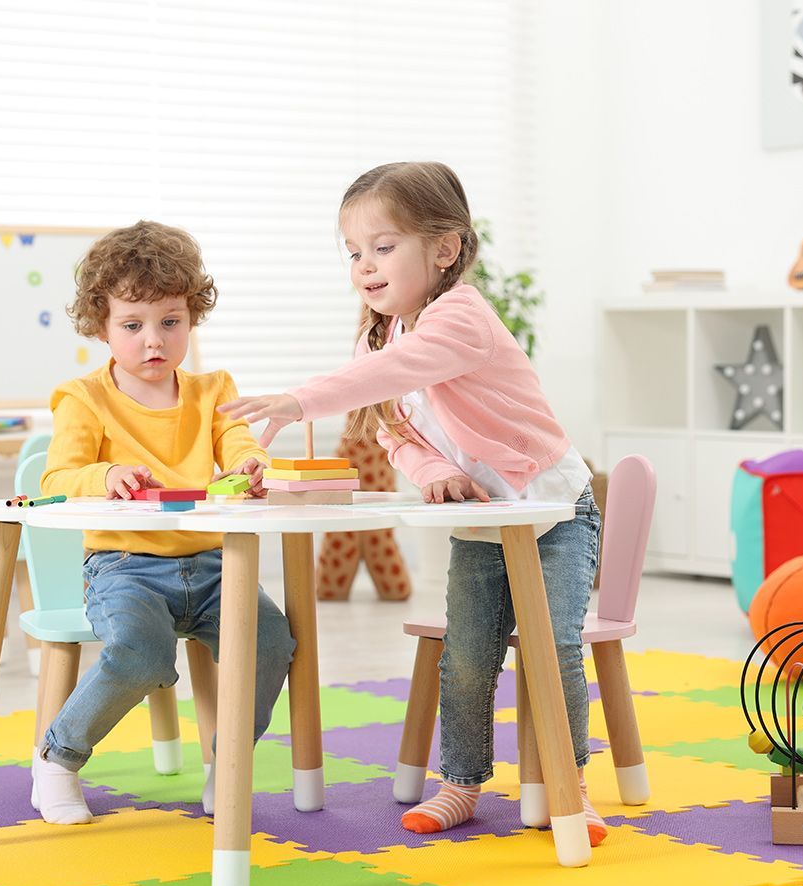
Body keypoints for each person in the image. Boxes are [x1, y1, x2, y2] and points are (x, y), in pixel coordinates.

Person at [219, 162, 606, 844]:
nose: (365, 266)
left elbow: (397, 373)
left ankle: (571, 787)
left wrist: (298, 398)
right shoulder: (382, 335)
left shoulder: (459, 316)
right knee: (466, 655)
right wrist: (431, 469)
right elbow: (392, 428)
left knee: (555, 649)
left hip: (553, 513)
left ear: (445, 249)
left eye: (383, 247)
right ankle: (460, 782)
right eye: (354, 252)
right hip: (484, 522)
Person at [34, 220, 295, 825]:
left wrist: (253, 465)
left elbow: (239, 442)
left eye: (170, 322)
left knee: (272, 640)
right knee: (139, 653)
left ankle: (226, 762)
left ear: (190, 319)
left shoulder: (212, 390)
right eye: (133, 325)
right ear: (101, 326)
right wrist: (105, 476)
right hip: (125, 566)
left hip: (212, 564)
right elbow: (56, 481)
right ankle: (57, 756)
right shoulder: (83, 399)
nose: (154, 341)